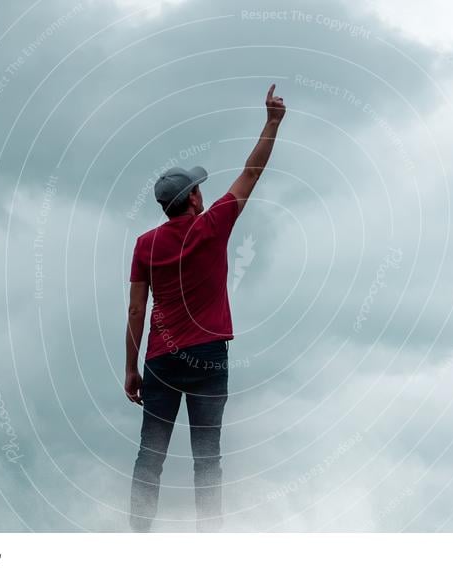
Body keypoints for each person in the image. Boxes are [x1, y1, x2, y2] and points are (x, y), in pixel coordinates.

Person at [125, 84, 287, 532]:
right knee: (207, 458)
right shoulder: (213, 225)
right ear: (194, 199)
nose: (202, 192)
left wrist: (130, 367)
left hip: (159, 358)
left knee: (150, 454)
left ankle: (136, 538)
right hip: (209, 357)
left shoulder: (144, 245)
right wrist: (272, 122)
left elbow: (137, 312)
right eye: (199, 188)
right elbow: (251, 173)